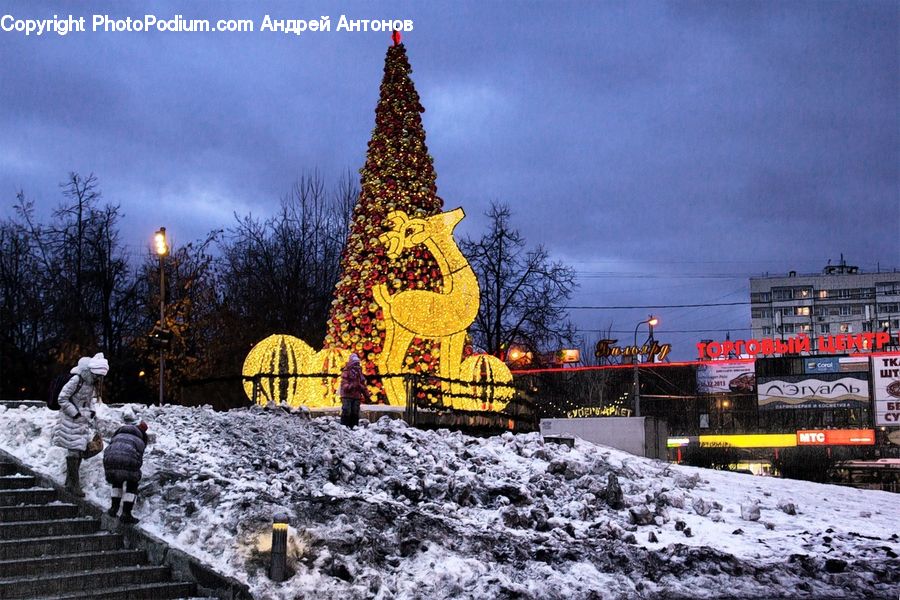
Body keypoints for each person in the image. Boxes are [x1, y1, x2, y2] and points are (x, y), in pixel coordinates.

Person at [51, 352, 108, 496]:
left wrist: (92, 413)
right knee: (74, 450)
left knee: (79, 449)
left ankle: (70, 482)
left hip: (82, 421)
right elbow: (62, 398)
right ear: (92, 372)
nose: (99, 379)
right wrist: (75, 413)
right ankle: (74, 485)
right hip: (70, 420)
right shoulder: (77, 379)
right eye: (98, 376)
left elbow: (89, 401)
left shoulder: (91, 383)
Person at [103, 407, 148, 524]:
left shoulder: (119, 433)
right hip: (127, 459)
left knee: (116, 482)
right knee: (132, 484)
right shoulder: (140, 439)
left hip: (110, 459)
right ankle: (126, 513)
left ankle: (114, 508)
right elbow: (138, 457)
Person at [339, 353, 370, 428]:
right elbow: (344, 384)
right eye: (355, 364)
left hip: (356, 396)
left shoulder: (359, 374)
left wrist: (366, 395)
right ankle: (345, 426)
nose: (356, 366)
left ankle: (354, 426)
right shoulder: (346, 372)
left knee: (355, 412)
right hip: (347, 396)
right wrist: (351, 385)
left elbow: (363, 385)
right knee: (347, 411)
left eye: (357, 364)